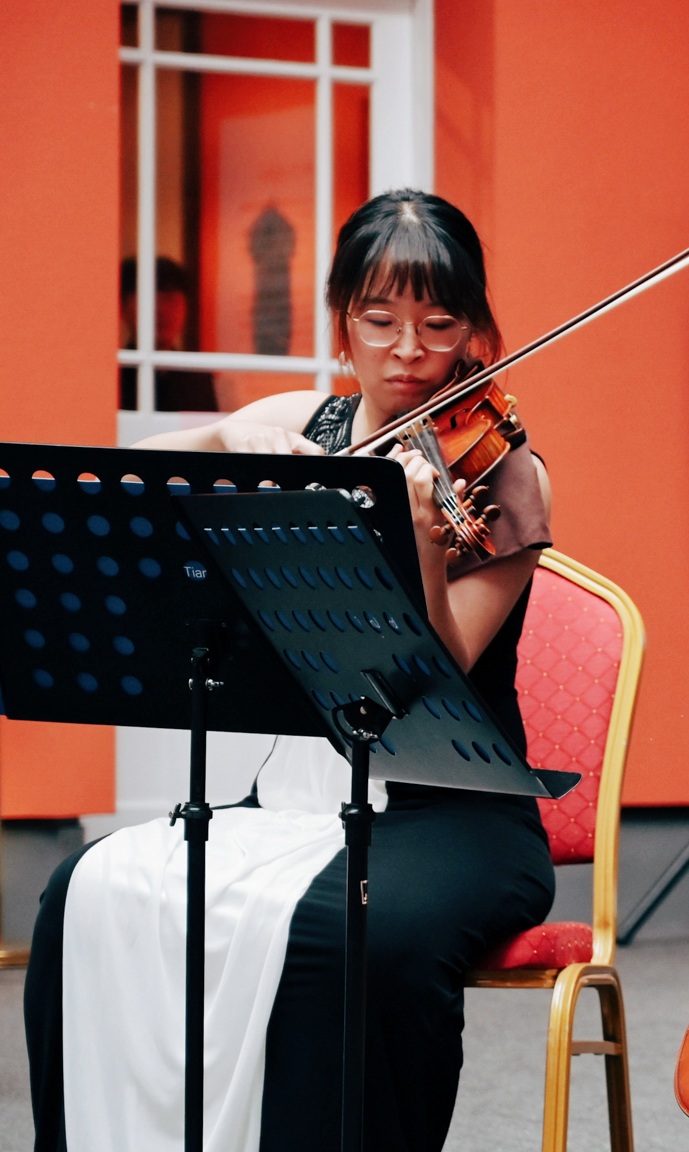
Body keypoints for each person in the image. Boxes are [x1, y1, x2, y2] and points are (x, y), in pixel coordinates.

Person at [27, 190, 555, 1151]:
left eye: (438, 325)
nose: (407, 351)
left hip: (457, 811)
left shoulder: (506, 473)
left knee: (357, 938)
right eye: (380, 320)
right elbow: (143, 467)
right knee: (85, 892)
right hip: (303, 797)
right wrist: (231, 448)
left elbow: (436, 670)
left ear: (474, 327)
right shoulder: (309, 424)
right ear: (343, 321)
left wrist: (427, 539)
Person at [119, 255, 218, 412]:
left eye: (171, 298)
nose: (161, 310)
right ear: (123, 308)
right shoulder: (114, 375)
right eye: (150, 300)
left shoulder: (198, 377)